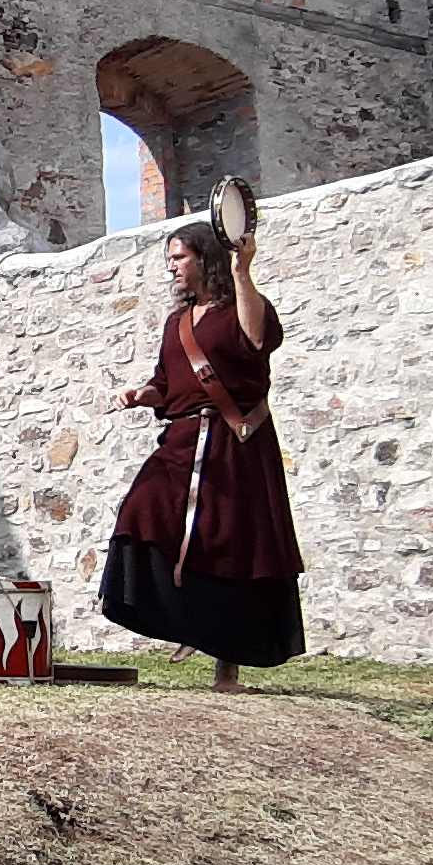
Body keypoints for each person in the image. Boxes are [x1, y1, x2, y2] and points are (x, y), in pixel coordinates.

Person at [99, 223, 304, 693]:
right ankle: (189, 621)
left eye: (179, 258)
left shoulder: (241, 307)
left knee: (234, 549)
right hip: (183, 442)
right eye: (170, 259)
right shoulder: (177, 325)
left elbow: (256, 340)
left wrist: (243, 271)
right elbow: (166, 385)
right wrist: (140, 394)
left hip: (236, 442)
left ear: (204, 260)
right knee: (142, 513)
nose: (171, 267)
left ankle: (226, 670)